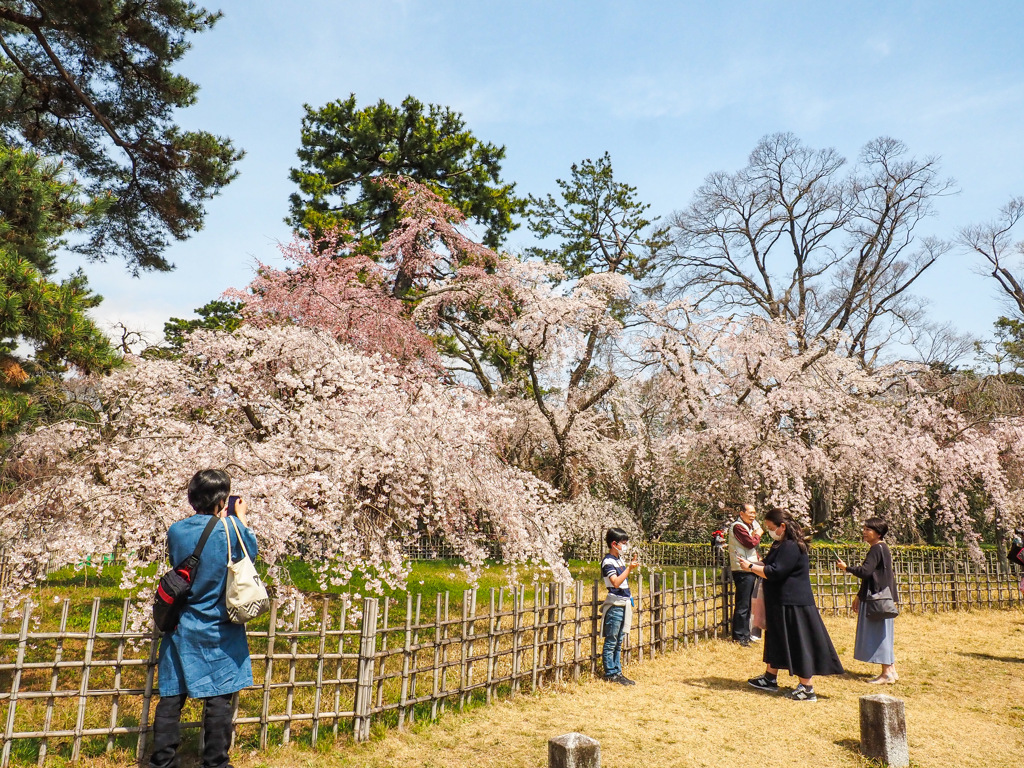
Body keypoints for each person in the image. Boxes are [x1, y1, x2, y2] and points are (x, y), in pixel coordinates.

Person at [151, 469, 259, 768]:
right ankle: (215, 762)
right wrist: (240, 520)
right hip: (219, 625)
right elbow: (250, 557)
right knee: (219, 700)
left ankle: (162, 761)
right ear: (223, 499)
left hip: (182, 623)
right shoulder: (231, 530)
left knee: (172, 697)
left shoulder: (176, 531)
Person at [738, 508, 844, 702]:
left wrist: (751, 567)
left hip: (793, 602)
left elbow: (776, 572)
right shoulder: (780, 544)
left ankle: (807, 686)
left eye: (771, 528)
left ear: (783, 526)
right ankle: (770, 677)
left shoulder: (791, 546)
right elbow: (770, 565)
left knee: (798, 642)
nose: (770, 531)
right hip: (780, 601)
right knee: (777, 638)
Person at [836, 517, 899, 684]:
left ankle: (885, 673)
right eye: (864, 529)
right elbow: (874, 576)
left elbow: (865, 572)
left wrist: (846, 568)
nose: (864, 532)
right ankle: (891, 670)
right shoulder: (883, 548)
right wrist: (859, 595)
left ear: (878, 533)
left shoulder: (876, 549)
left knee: (879, 634)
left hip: (877, 599)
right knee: (885, 633)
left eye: (868, 530)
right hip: (884, 597)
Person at [600, 527, 639, 686]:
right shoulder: (608, 561)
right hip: (615, 605)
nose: (625, 546)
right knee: (612, 640)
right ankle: (610, 673)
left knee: (619, 640)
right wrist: (629, 569)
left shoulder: (619, 560)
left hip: (623, 604)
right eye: (623, 543)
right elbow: (615, 582)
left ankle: (617, 671)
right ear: (614, 543)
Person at [728, 503, 763, 646]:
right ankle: (739, 636)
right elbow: (750, 543)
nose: (753, 516)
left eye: (754, 513)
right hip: (742, 569)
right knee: (743, 604)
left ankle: (746, 635)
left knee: (748, 604)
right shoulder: (738, 527)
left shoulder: (747, 526)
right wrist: (758, 534)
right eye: (750, 513)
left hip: (749, 568)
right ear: (741, 513)